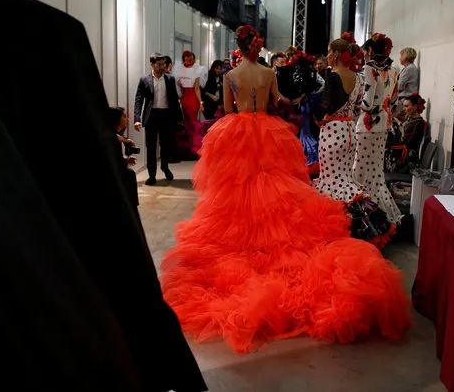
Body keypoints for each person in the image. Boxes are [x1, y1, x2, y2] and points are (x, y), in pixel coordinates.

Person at [160, 25, 412, 355]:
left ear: (238, 46)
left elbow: (227, 108)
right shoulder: (268, 72)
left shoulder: (231, 75)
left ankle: (246, 241)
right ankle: (268, 241)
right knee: (272, 188)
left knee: (237, 188)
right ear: (256, 47)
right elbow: (277, 102)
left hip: (237, 132)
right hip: (267, 130)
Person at [315, 33, 395, 247]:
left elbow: (325, 106)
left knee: (330, 180)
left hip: (332, 131)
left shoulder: (332, 76)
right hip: (351, 129)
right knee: (345, 178)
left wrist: (320, 120)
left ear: (338, 54)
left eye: (331, 52)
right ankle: (359, 224)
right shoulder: (359, 77)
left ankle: (334, 230)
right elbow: (361, 105)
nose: (328, 56)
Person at [354, 33, 402, 224]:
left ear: (371, 50)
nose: (364, 54)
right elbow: (395, 100)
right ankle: (384, 217)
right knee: (376, 174)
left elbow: (366, 103)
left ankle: (365, 219)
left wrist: (355, 102)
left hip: (367, 125)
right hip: (384, 124)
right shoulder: (394, 70)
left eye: (365, 51)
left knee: (360, 171)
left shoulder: (369, 68)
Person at [133, 53, 182, 186]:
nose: (162, 67)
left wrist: (179, 118)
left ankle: (165, 167)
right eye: (159, 64)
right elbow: (138, 100)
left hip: (167, 116)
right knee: (151, 147)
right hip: (151, 116)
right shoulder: (144, 80)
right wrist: (137, 119)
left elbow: (174, 100)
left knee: (166, 145)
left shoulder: (170, 79)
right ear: (152, 64)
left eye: (163, 64)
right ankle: (152, 175)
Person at [173, 51, 203, 157]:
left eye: (190, 58)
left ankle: (194, 147)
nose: (188, 60)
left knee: (193, 122)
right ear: (183, 59)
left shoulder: (197, 70)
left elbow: (197, 88)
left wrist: (200, 102)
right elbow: (179, 87)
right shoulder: (179, 70)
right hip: (184, 97)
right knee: (186, 122)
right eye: (186, 58)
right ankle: (190, 146)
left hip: (192, 98)